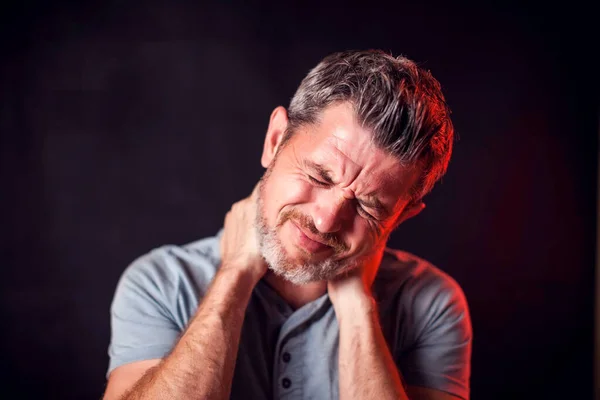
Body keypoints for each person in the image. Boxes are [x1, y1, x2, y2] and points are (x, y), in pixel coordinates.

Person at [103, 49, 472, 400]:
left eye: (367, 207)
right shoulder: (161, 283)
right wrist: (235, 273)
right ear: (275, 140)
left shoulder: (432, 304)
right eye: (320, 176)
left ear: (401, 217)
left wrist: (357, 308)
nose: (327, 220)